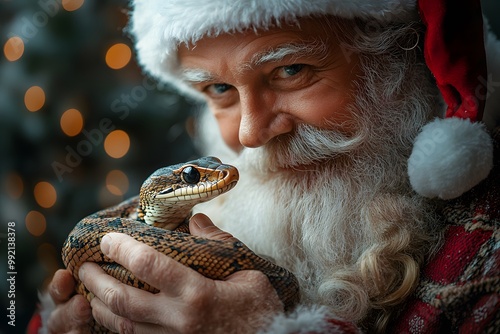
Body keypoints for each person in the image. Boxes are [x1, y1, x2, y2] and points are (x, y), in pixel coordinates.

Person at [33, 0, 500, 333]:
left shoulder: (488, 257)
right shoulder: (168, 218)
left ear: (400, 62)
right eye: (219, 90)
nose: (251, 135)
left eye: (290, 70)